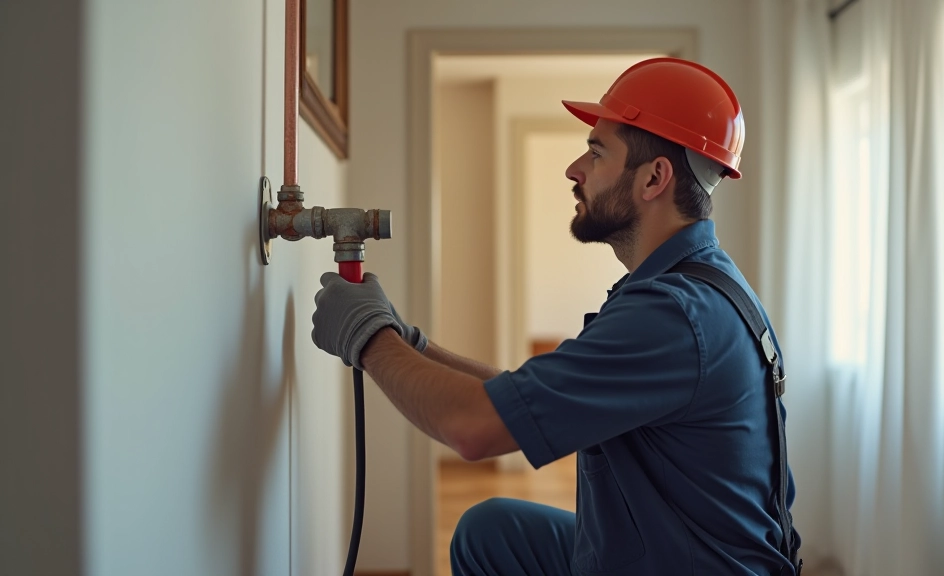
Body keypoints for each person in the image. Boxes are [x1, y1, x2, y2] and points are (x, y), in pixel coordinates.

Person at [311, 57, 801, 576]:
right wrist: (412, 344)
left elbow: (473, 428)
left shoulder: (674, 316)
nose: (575, 169)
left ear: (654, 178)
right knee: (492, 533)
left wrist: (368, 336)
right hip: (672, 550)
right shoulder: (692, 284)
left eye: (597, 151)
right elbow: (529, 400)